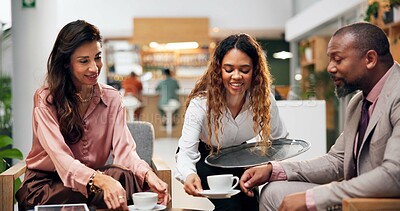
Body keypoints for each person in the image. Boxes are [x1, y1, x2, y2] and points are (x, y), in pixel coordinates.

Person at [240, 22, 400, 211]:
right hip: (355, 200)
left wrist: (313, 197)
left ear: (370, 59)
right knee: (273, 191)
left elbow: (394, 175)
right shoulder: (358, 102)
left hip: (383, 204)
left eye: (338, 60)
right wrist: (274, 170)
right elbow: (337, 161)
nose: (330, 68)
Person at [16, 20, 170, 211]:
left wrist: (148, 175)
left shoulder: (112, 98)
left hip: (93, 183)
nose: (94, 67)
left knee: (125, 177)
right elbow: (61, 159)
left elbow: (125, 153)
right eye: (83, 61)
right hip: (48, 185)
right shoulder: (46, 99)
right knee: (98, 191)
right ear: (66, 63)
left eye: (97, 57)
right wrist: (101, 181)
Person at [174, 33, 289, 211]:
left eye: (244, 70)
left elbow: (280, 141)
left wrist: (265, 166)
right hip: (203, 156)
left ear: (255, 71)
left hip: (237, 156)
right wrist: (189, 174)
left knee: (251, 207)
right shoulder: (201, 103)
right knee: (230, 207)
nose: (236, 76)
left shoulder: (264, 100)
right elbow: (186, 151)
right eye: (229, 69)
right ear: (219, 70)